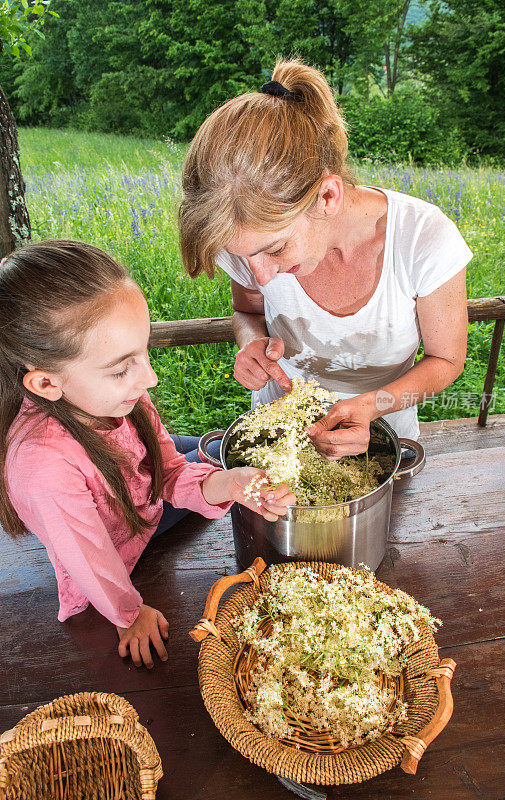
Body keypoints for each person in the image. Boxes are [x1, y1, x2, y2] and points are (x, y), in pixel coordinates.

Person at [0, 240, 295, 668]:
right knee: (201, 454)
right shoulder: (42, 468)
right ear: (47, 384)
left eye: (145, 352)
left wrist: (230, 482)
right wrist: (129, 614)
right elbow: (89, 560)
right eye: (122, 367)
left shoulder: (120, 396)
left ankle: (214, 462)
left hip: (144, 503)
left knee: (203, 457)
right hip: (115, 552)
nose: (151, 378)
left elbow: (168, 471)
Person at [179, 60, 473, 458]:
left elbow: (447, 359)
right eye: (244, 257)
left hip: (384, 435)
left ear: (327, 197)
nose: (262, 277)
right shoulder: (248, 238)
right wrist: (251, 343)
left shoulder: (424, 238)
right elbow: (247, 311)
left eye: (276, 249)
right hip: (279, 432)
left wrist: (370, 407)